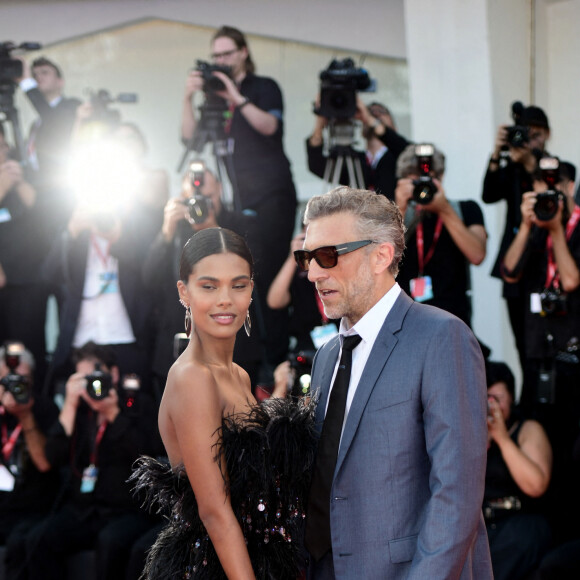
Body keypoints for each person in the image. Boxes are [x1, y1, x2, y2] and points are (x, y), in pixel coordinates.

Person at [297, 186, 492, 578]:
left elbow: (457, 495)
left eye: (328, 255)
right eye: (307, 257)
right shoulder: (326, 357)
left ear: (381, 256)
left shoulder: (441, 336)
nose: (314, 273)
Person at [132, 228, 316, 579]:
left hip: (265, 560)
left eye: (239, 284)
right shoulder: (192, 378)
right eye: (209, 286)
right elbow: (215, 512)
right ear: (183, 292)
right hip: (219, 568)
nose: (225, 300)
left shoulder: (239, 375)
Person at [181, 25, 297, 373]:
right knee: (243, 276)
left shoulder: (263, 87)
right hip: (238, 205)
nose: (221, 61)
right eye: (216, 55)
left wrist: (234, 94)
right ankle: (244, 356)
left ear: (243, 52)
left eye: (227, 54)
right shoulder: (212, 98)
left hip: (273, 197)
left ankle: (275, 358)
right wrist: (188, 98)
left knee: (270, 272)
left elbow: (268, 127)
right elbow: (189, 140)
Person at [23, 342, 158, 580]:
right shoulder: (79, 413)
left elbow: (146, 455)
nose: (93, 385)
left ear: (113, 374)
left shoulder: (137, 404)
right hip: (83, 511)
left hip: (127, 510)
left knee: (111, 542)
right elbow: (52, 457)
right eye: (84, 379)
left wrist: (112, 414)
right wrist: (69, 405)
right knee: (38, 539)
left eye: (97, 377)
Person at [502, 159, 580, 541]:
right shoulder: (531, 230)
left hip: (574, 356)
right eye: (540, 190)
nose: (550, 196)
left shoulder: (576, 228)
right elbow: (509, 270)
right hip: (538, 356)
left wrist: (558, 231)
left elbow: (569, 279)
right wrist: (529, 225)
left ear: (570, 187)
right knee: (543, 435)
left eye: (555, 187)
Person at [143, 165, 263, 397]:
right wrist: (166, 231)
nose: (201, 206)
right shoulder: (175, 229)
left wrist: (212, 228)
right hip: (182, 348)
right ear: (183, 198)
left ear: (220, 188)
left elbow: (255, 271)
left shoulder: (240, 222)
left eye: (208, 198)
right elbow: (149, 280)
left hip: (235, 349)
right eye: (195, 200)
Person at [482, 103, 551, 371]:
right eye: (525, 134)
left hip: (546, 264)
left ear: (546, 134)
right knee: (522, 343)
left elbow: (551, 193)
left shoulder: (556, 167)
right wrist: (498, 151)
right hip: (515, 265)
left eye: (536, 134)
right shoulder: (511, 168)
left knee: (545, 342)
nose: (530, 140)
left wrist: (530, 163)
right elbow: (488, 194)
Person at [394, 143, 487, 326]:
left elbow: (477, 255)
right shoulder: (391, 213)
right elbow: (381, 259)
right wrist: (399, 209)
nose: (422, 187)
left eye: (428, 179)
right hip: (403, 316)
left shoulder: (466, 209)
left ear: (441, 177)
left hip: (453, 316)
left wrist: (444, 210)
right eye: (415, 181)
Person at [484, 361, 552, 580]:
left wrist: (502, 438)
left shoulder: (527, 429)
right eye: (484, 398)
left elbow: (536, 485)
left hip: (520, 524)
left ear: (511, 398)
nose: (491, 405)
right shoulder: (470, 432)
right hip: (485, 526)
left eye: (497, 398)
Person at [0, 342, 60, 580]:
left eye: (21, 380)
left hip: (33, 508)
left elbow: (45, 463)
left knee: (22, 543)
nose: (15, 387)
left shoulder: (44, 408)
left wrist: (25, 416)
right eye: (8, 380)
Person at [0, 123, 49, 383]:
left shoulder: (26, 174)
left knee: (28, 353)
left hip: (28, 283)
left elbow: (46, 219)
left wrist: (17, 182)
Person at [307, 97, 410, 199]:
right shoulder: (353, 160)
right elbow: (317, 165)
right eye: (370, 112)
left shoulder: (401, 157)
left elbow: (408, 150)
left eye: (381, 111)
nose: (374, 114)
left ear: (394, 129)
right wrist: (320, 122)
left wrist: (370, 119)